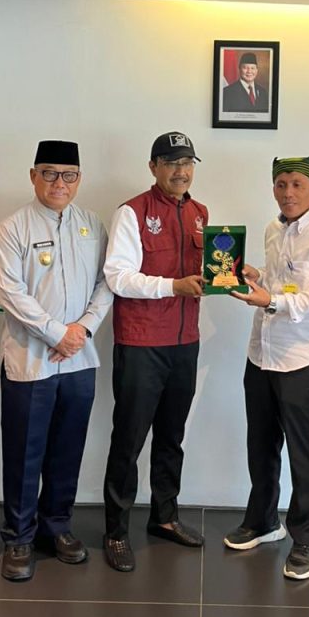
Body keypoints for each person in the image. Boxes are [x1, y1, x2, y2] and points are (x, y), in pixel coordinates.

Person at [225, 156, 309, 581]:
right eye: (281, 184)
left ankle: (306, 538)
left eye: (297, 184)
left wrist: (272, 300)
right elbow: (282, 280)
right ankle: (263, 521)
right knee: (261, 444)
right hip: (261, 353)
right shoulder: (272, 229)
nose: (288, 192)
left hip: (300, 360)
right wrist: (257, 276)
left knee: (304, 452)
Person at [0, 141, 113, 581]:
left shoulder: (92, 225)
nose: (59, 183)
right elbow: (9, 293)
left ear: (79, 179)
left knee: (67, 448)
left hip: (80, 359)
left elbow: (106, 282)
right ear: (33, 176)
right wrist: (58, 333)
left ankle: (56, 525)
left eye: (68, 175)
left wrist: (82, 330)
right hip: (30, 361)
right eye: (49, 173)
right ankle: (19, 536)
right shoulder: (13, 228)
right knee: (24, 452)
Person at [102, 132, 207, 572]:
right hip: (142, 343)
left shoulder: (200, 214)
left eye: (187, 163)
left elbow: (206, 271)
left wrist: (237, 273)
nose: (181, 171)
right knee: (128, 439)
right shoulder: (132, 212)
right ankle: (115, 530)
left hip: (185, 342)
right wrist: (172, 286)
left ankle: (165, 516)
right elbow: (117, 276)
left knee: (171, 435)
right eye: (171, 162)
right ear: (153, 167)